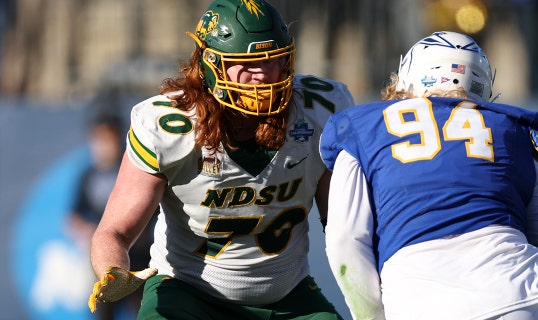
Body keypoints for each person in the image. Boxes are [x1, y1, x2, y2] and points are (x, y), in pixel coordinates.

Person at [87, 0, 355, 319]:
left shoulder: (320, 110)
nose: (263, 75)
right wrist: (113, 271)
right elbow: (113, 231)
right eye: (248, 63)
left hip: (286, 296)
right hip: (187, 293)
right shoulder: (167, 127)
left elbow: (342, 225)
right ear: (211, 65)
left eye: (273, 61)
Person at [319, 31, 538, 320]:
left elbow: (346, 242)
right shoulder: (513, 131)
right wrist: (518, 293)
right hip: (516, 298)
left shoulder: (361, 129)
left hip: (418, 303)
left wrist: (370, 316)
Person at [67, 113, 153, 319]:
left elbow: (157, 209)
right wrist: (93, 234)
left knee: (144, 311)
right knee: (105, 312)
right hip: (105, 266)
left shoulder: (137, 168)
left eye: (108, 137)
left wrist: (140, 232)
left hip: (142, 262)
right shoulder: (88, 176)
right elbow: (74, 215)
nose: (103, 144)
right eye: (99, 137)